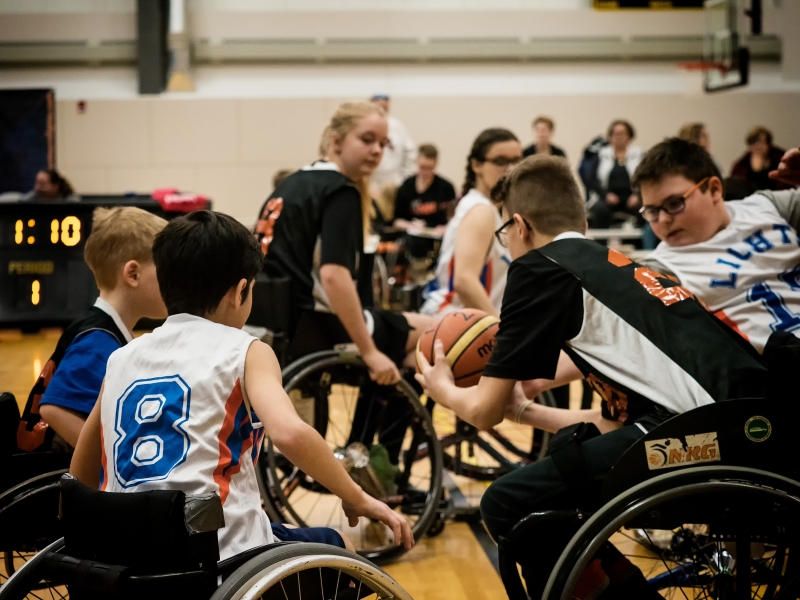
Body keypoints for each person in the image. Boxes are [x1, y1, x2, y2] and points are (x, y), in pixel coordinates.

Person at [416, 154, 767, 599]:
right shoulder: (615, 265)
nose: (507, 244)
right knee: (566, 463)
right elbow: (620, 429)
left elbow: (483, 414)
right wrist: (525, 409)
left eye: (504, 232)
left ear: (520, 226)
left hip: (704, 436)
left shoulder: (540, 267)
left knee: (508, 502)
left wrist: (442, 388)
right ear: (581, 218)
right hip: (746, 428)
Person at [69, 210, 414, 559]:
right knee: (341, 548)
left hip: (125, 554)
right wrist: (355, 495)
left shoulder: (123, 356)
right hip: (214, 555)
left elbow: (81, 472)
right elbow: (291, 434)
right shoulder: (246, 350)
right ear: (241, 291)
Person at [256, 101, 428, 384]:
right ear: (336, 141)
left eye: (383, 144)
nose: (376, 151)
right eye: (367, 140)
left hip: (275, 323)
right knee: (431, 332)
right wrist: (369, 352)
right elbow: (334, 276)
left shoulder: (292, 183)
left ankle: (379, 412)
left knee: (405, 358)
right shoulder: (340, 192)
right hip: (316, 327)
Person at [17, 207, 168, 452]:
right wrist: (110, 460)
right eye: (166, 270)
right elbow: (55, 409)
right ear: (133, 274)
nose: (174, 280)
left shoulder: (104, 331)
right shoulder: (98, 341)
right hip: (49, 479)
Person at [635, 137, 800, 354]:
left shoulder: (769, 207)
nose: (663, 220)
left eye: (674, 204)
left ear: (713, 189)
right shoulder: (659, 268)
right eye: (652, 212)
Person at [420, 128, 520, 318]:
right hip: (454, 320)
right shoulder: (481, 210)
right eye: (500, 161)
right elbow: (464, 281)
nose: (511, 168)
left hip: (463, 321)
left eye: (516, 160)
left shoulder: (484, 207)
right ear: (476, 165)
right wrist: (500, 333)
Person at [588, 119, 644, 229]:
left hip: (632, 197)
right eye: (615, 134)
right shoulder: (602, 155)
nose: (618, 137)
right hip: (608, 198)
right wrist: (605, 195)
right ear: (610, 136)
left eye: (622, 133)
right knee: (600, 210)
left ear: (629, 136)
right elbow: (591, 179)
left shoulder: (639, 155)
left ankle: (640, 244)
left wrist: (637, 195)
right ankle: (602, 244)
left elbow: (646, 178)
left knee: (644, 210)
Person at [393, 143, 456, 234]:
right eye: (422, 167)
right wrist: (411, 226)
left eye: (430, 168)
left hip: (437, 240)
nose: (426, 172)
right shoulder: (407, 186)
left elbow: (454, 221)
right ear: (416, 161)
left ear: (436, 163)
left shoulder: (446, 188)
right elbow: (397, 222)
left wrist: (445, 228)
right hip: (411, 238)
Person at [369, 94, 417, 193]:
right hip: (371, 183)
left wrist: (404, 179)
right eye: (379, 106)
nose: (382, 110)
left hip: (395, 182)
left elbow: (410, 154)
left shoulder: (397, 127)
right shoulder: (365, 126)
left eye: (385, 107)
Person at [731, 126, 789, 192]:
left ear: (769, 144)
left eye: (762, 142)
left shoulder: (781, 161)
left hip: (776, 199)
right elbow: (736, 189)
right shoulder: (740, 166)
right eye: (754, 143)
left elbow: (787, 187)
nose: (758, 146)